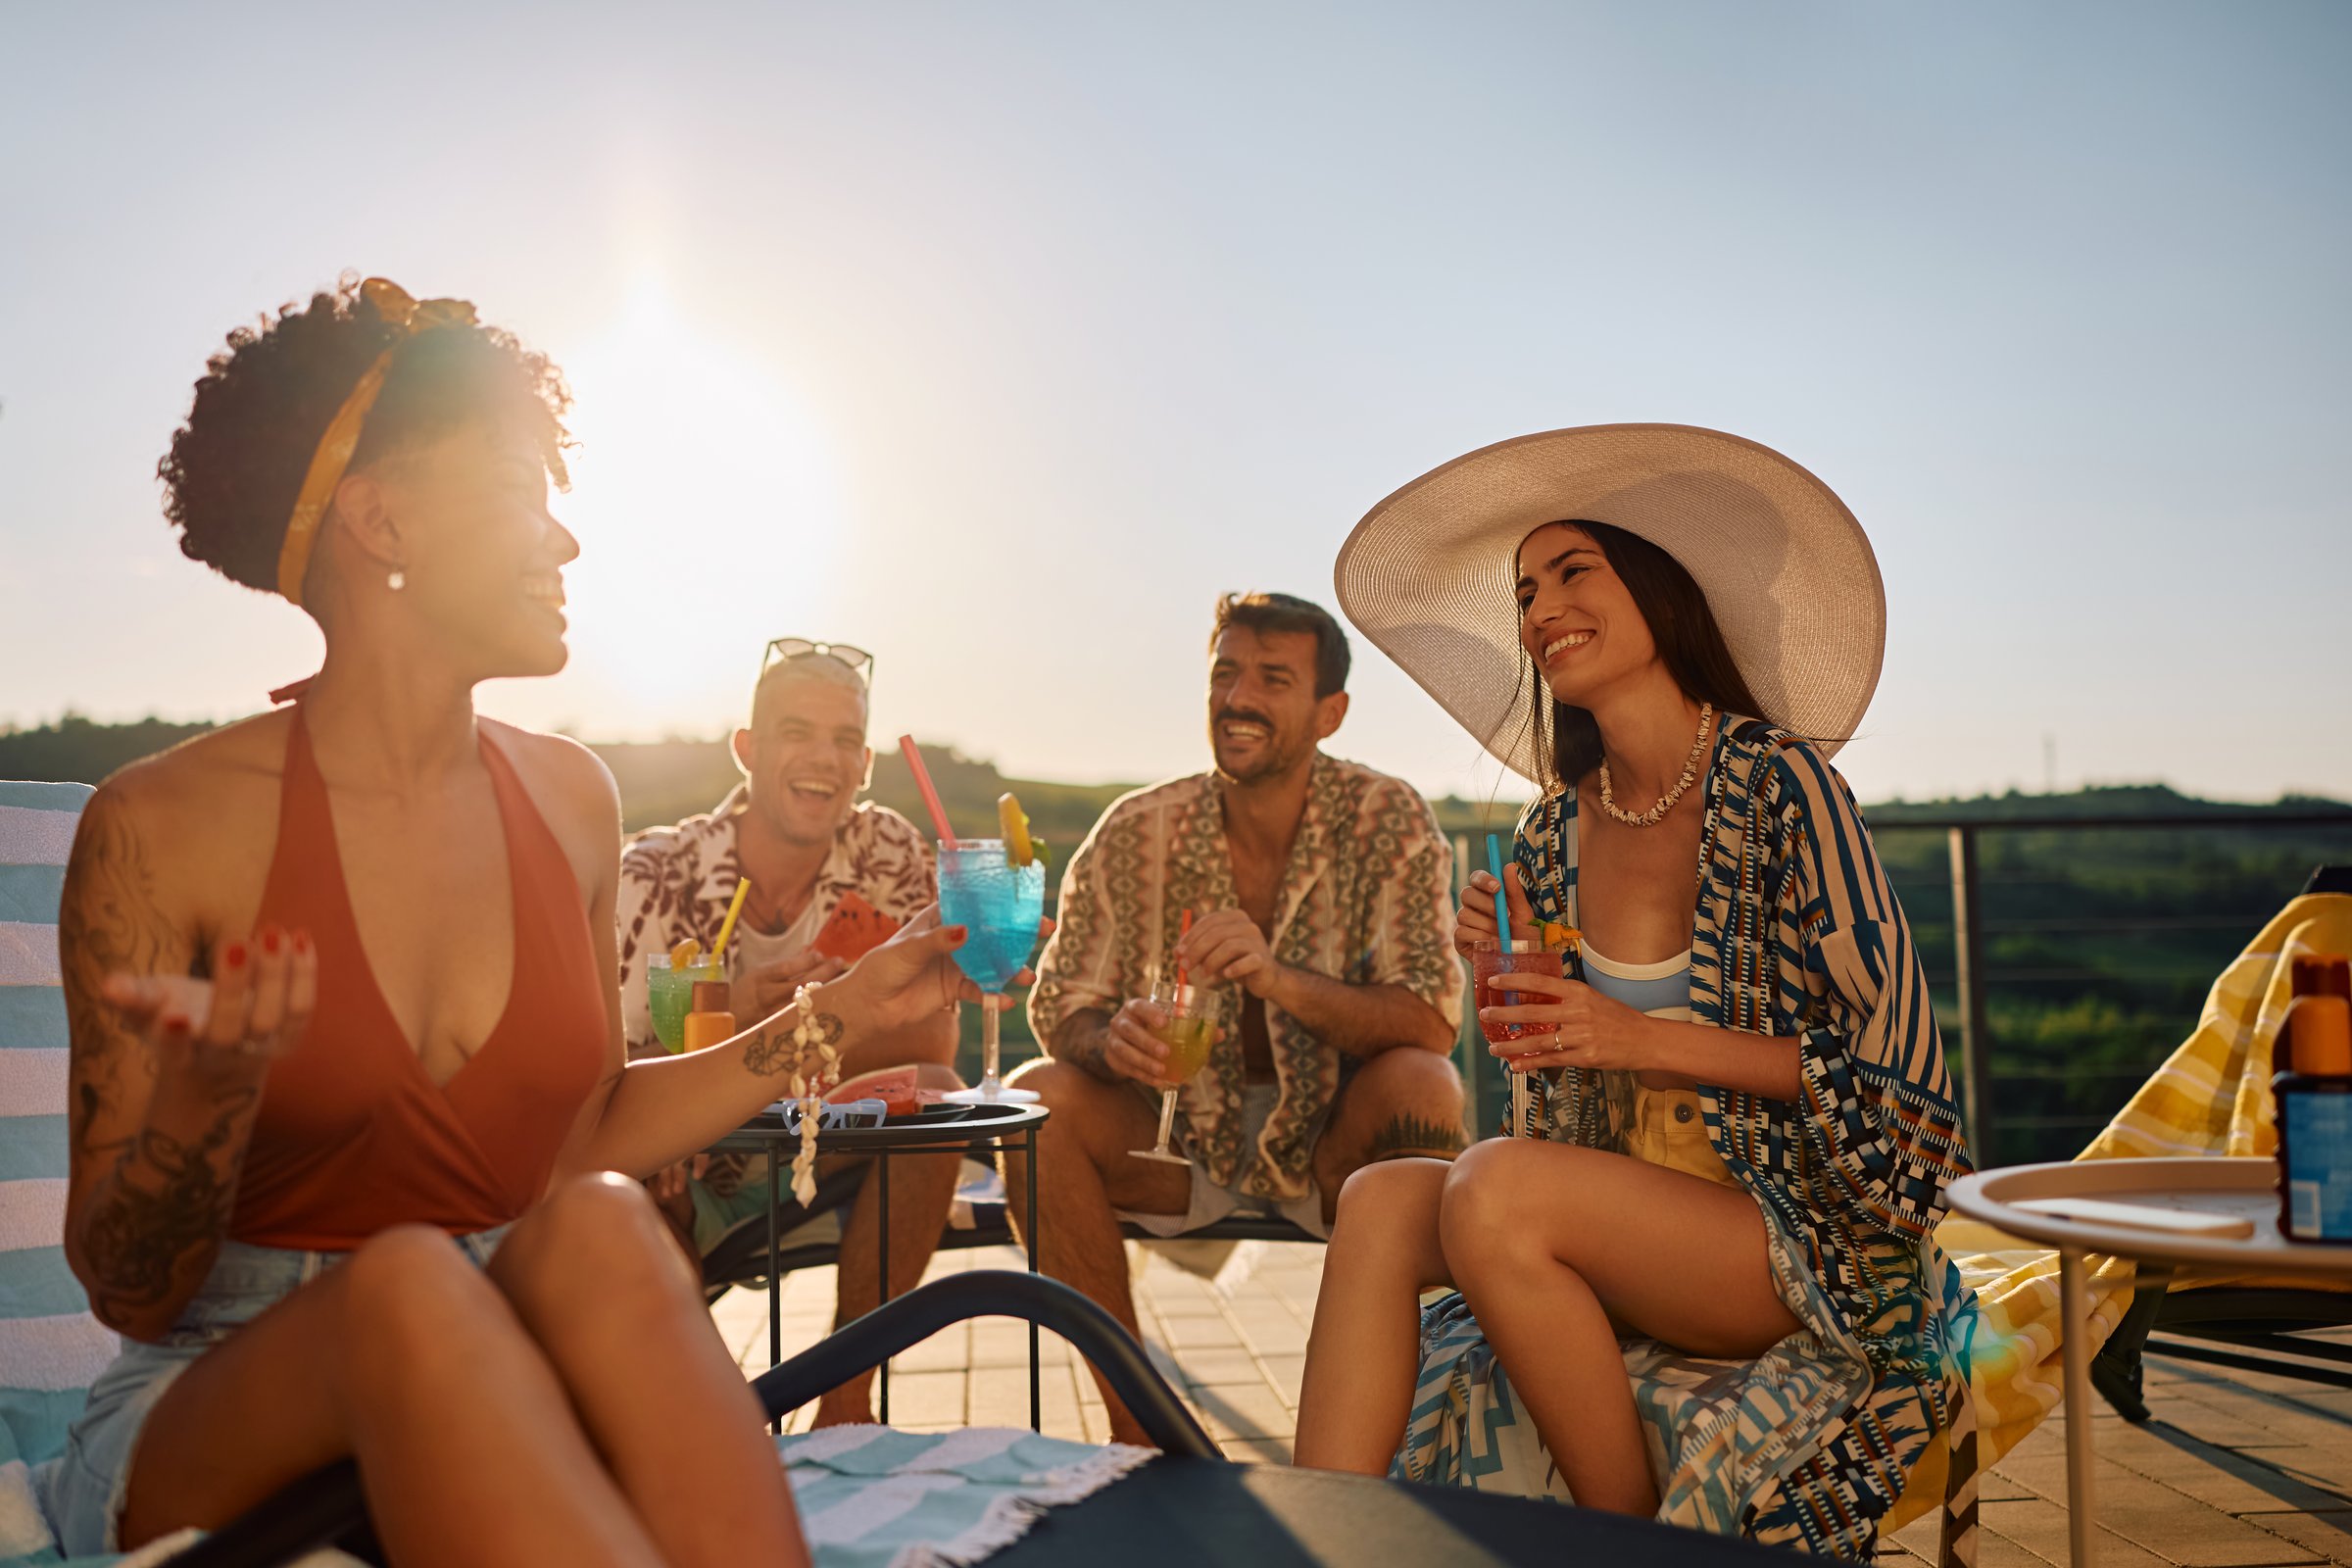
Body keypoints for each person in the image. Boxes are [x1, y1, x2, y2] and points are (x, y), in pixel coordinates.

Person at [41, 277, 1028, 1566]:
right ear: (381, 519)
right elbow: (129, 1288)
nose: (562, 541)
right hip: (225, 1396)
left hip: (506, 1349)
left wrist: (834, 1017)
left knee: (605, 1226)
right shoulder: (163, 827)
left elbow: (588, 1139)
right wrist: (206, 1100)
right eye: (518, 486)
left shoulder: (569, 803)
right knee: (408, 1288)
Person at [1298, 425, 1977, 1560]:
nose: (1540, 610)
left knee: (1495, 1190)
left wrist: (1638, 1037)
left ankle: (1626, 1540)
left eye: (1574, 571)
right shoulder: (1552, 833)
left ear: (1661, 591)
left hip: (1792, 1235)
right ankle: (1313, 1543)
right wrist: (1514, 983)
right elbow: (1556, 1100)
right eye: (1526, 590)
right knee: (1377, 1202)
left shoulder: (1783, 787)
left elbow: (1903, 1091)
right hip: (1619, 1217)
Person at [1009, 591, 1466, 1446]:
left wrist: (1278, 980)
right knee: (1037, 1102)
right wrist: (1109, 1042)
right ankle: (1140, 1430)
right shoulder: (1133, 829)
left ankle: (1404, 1429)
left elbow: (1430, 1021)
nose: (1237, 697)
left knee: (1426, 1086)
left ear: (1330, 713)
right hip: (1173, 1141)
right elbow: (1063, 1005)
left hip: (1334, 1148)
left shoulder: (1389, 819)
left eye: (1272, 679)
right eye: (1226, 673)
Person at [616, 637, 958, 1425]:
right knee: (619, 1188)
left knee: (938, 1099)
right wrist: (737, 1013)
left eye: (845, 740)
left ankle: (845, 1410)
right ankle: (717, 1429)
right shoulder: (655, 873)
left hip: (824, 1140)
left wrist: (788, 1028)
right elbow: (605, 1075)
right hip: (683, 1169)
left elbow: (931, 1046)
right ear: (747, 748)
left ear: (865, 765)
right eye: (797, 732)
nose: (823, 758)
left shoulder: (890, 853)